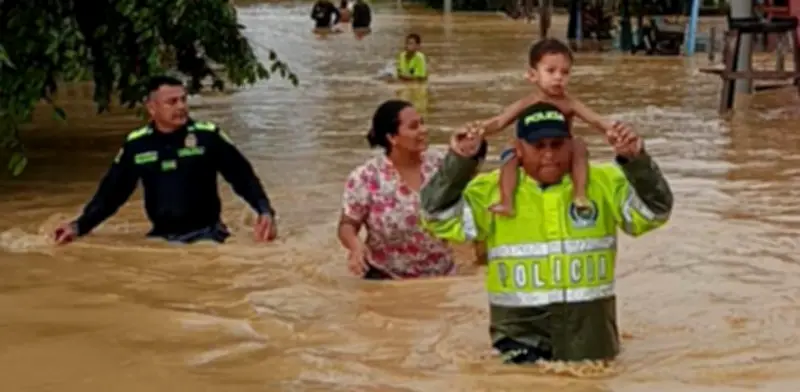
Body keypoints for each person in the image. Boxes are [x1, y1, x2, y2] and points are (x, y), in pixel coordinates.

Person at [420, 102, 673, 363]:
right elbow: (435, 217)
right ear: (518, 149)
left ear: (571, 145)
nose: (549, 155)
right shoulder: (491, 191)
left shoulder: (605, 182)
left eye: (556, 144)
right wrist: (459, 162)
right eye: (538, 146)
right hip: (518, 338)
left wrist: (636, 160)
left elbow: (655, 213)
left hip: (591, 338)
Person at [53, 76, 277, 245]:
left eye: (183, 100)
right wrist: (79, 227)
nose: (181, 107)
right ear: (152, 108)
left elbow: (242, 176)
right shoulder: (137, 145)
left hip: (207, 237)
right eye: (172, 102)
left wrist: (264, 211)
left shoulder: (208, 136)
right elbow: (112, 194)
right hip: (160, 239)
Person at [338, 100, 486, 280]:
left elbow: (474, 197)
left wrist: (465, 148)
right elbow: (348, 224)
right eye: (414, 127)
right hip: (385, 278)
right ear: (392, 137)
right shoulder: (366, 177)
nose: (423, 130)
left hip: (442, 277)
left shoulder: (439, 164)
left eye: (422, 123)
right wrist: (355, 246)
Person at [480, 38, 617, 217]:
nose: (558, 77)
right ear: (532, 75)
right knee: (510, 149)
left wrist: (612, 129)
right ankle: (507, 201)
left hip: (561, 154)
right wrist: (480, 128)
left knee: (579, 145)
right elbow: (500, 121)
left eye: (565, 72)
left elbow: (595, 120)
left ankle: (580, 194)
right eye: (551, 71)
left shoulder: (570, 104)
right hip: (531, 155)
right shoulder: (527, 103)